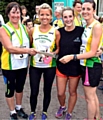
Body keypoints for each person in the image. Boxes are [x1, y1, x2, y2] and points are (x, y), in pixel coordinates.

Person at [59, 0, 103, 119]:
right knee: (93, 96)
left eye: (88, 9)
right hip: (85, 64)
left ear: (94, 11)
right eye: (83, 9)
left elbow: (92, 52)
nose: (85, 11)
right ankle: (96, 118)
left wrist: (72, 57)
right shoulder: (86, 25)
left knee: (89, 98)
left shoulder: (96, 25)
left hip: (91, 64)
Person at [0, 2, 37, 119]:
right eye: (13, 13)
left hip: (22, 64)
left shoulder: (24, 28)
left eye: (18, 13)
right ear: (8, 14)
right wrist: (28, 51)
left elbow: (31, 42)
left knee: (20, 87)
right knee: (10, 90)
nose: (16, 15)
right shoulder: (3, 29)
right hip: (9, 65)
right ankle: (12, 112)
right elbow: (10, 48)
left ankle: (18, 107)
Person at [28, 3, 60, 120]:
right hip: (35, 66)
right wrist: (30, 51)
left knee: (47, 90)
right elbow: (29, 45)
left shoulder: (56, 32)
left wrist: (54, 53)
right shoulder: (32, 30)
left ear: (51, 17)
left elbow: (58, 48)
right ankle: (32, 111)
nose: (44, 17)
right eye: (42, 15)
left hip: (49, 66)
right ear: (38, 15)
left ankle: (45, 112)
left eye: (47, 15)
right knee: (34, 91)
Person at [55, 7, 84, 120]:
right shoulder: (59, 32)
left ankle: (69, 113)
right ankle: (62, 106)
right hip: (61, 67)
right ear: (62, 18)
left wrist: (99, 49)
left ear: (74, 16)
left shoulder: (81, 31)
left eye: (70, 16)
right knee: (60, 93)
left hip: (75, 68)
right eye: (65, 17)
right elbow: (56, 48)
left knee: (72, 92)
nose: (68, 19)